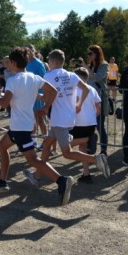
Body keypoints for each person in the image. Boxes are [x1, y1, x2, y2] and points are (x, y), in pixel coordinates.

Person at [0, 47, 74, 206]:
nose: (7, 65)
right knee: (2, 147)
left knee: (33, 160)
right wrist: (45, 107)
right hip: (20, 126)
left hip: (20, 127)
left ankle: (61, 180)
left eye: (9, 62)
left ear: (14, 62)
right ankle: (2, 181)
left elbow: (5, 103)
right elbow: (54, 91)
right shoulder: (34, 77)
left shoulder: (12, 80)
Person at [23, 50, 110, 186]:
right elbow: (86, 89)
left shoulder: (48, 76)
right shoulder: (72, 75)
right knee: (46, 145)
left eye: (49, 62)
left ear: (52, 62)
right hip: (69, 118)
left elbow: (46, 98)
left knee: (67, 153)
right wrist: (79, 104)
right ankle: (37, 175)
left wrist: (35, 95)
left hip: (59, 120)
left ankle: (96, 159)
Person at [70, 67, 103, 183]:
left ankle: (89, 138)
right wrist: (92, 117)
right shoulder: (92, 89)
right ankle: (86, 174)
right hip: (91, 122)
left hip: (78, 123)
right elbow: (98, 108)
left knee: (66, 145)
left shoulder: (74, 89)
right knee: (82, 148)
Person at [85, 45, 109, 155]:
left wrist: (86, 67)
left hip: (99, 99)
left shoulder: (104, 65)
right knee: (88, 125)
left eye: (90, 54)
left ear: (96, 54)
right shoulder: (89, 66)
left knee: (100, 125)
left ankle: (103, 150)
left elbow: (96, 77)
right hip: (88, 99)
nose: (89, 56)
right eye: (88, 54)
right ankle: (90, 147)